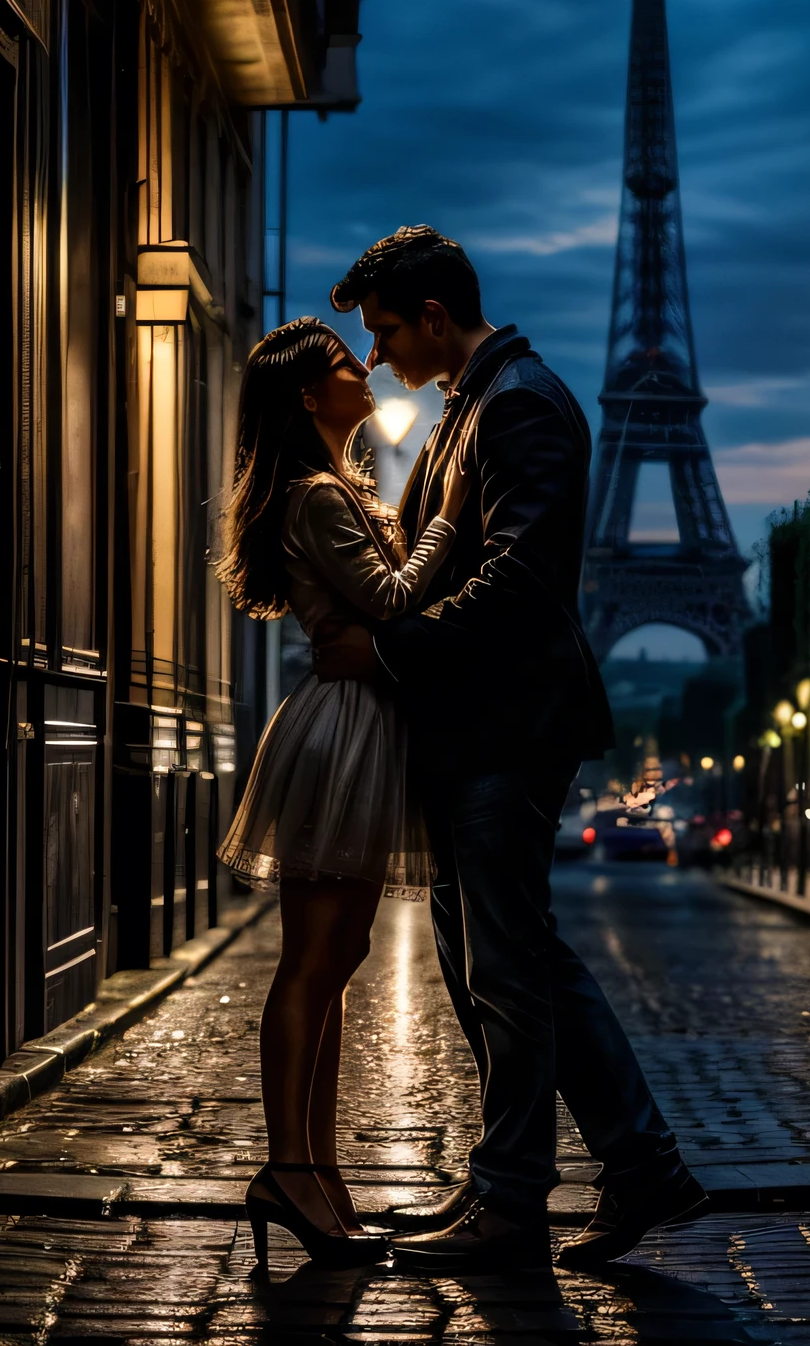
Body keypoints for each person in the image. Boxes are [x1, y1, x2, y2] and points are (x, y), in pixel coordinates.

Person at [316, 226, 708, 1274]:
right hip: (473, 729)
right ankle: (625, 1169)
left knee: (507, 968)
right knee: (505, 962)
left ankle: (514, 1197)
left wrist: (388, 648)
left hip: (506, 728)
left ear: (437, 316)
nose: (380, 356)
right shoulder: (471, 407)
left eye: (388, 330)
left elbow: (522, 588)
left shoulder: (520, 403)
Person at [216, 316, 466, 1268]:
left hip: (357, 725)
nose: (363, 367)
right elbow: (396, 600)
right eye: (340, 364)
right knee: (314, 964)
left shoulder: (334, 487)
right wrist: (447, 521)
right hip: (345, 732)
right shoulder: (318, 495)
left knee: (336, 961)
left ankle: (315, 1173)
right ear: (309, 399)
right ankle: (289, 1169)